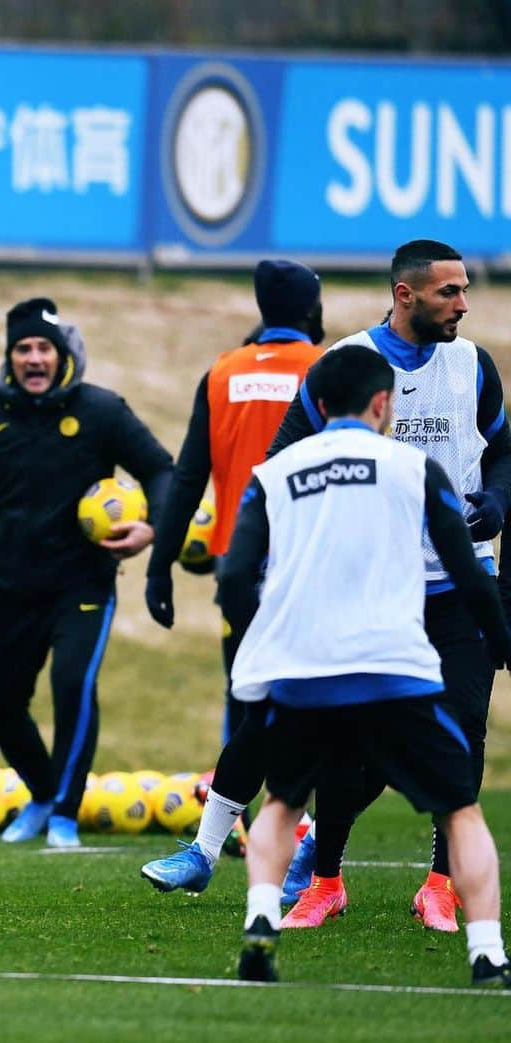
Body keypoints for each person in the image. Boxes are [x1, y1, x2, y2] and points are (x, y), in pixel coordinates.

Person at [222, 345, 511, 987]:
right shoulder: (412, 467)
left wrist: (256, 639)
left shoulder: (275, 473)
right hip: (393, 669)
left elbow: (236, 573)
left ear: (317, 406)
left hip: (304, 671)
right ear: (383, 404)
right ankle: (487, 952)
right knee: (460, 809)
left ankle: (263, 919)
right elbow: (466, 568)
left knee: (280, 803)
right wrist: (497, 636)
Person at [271, 239, 511, 930]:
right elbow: (282, 462)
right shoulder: (344, 365)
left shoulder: (473, 365)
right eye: (448, 293)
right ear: (405, 295)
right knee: (352, 741)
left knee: (463, 728)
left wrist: (496, 499)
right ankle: (326, 880)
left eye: (465, 290)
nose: (462, 304)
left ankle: (441, 883)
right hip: (373, 587)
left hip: (464, 580)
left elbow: (503, 452)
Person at [0, 297, 174, 848]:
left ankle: (65, 814)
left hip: (82, 585)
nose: (33, 359)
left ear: (63, 356)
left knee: (72, 687)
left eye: (44, 348)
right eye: (23, 349)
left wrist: (152, 528)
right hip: (12, 586)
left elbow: (161, 470)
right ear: (10, 356)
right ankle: (42, 794)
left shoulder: (102, 410)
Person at [140, 259, 323, 890]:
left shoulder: (223, 373)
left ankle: (231, 846)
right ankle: (298, 849)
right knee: (316, 708)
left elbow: (189, 476)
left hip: (238, 573)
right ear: (310, 309)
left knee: (256, 706)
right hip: (313, 567)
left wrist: (159, 569)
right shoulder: (327, 369)